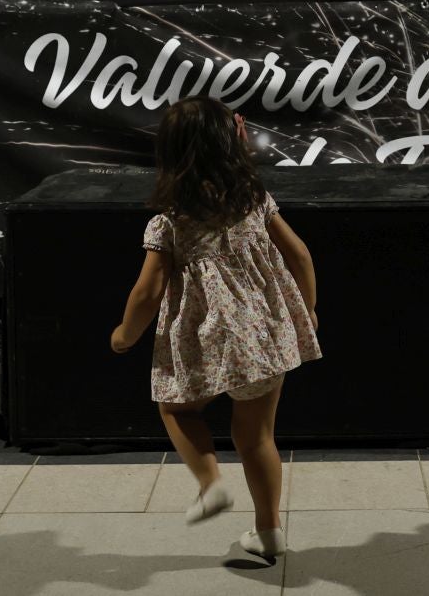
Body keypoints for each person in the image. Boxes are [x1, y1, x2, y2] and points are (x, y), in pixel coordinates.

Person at [111, 97, 319, 559]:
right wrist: (308, 311)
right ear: (233, 143)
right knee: (257, 437)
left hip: (205, 339)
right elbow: (300, 255)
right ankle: (268, 531)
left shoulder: (170, 221)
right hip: (265, 337)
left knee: (178, 410)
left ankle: (210, 484)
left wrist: (125, 335)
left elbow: (147, 291)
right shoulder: (255, 201)